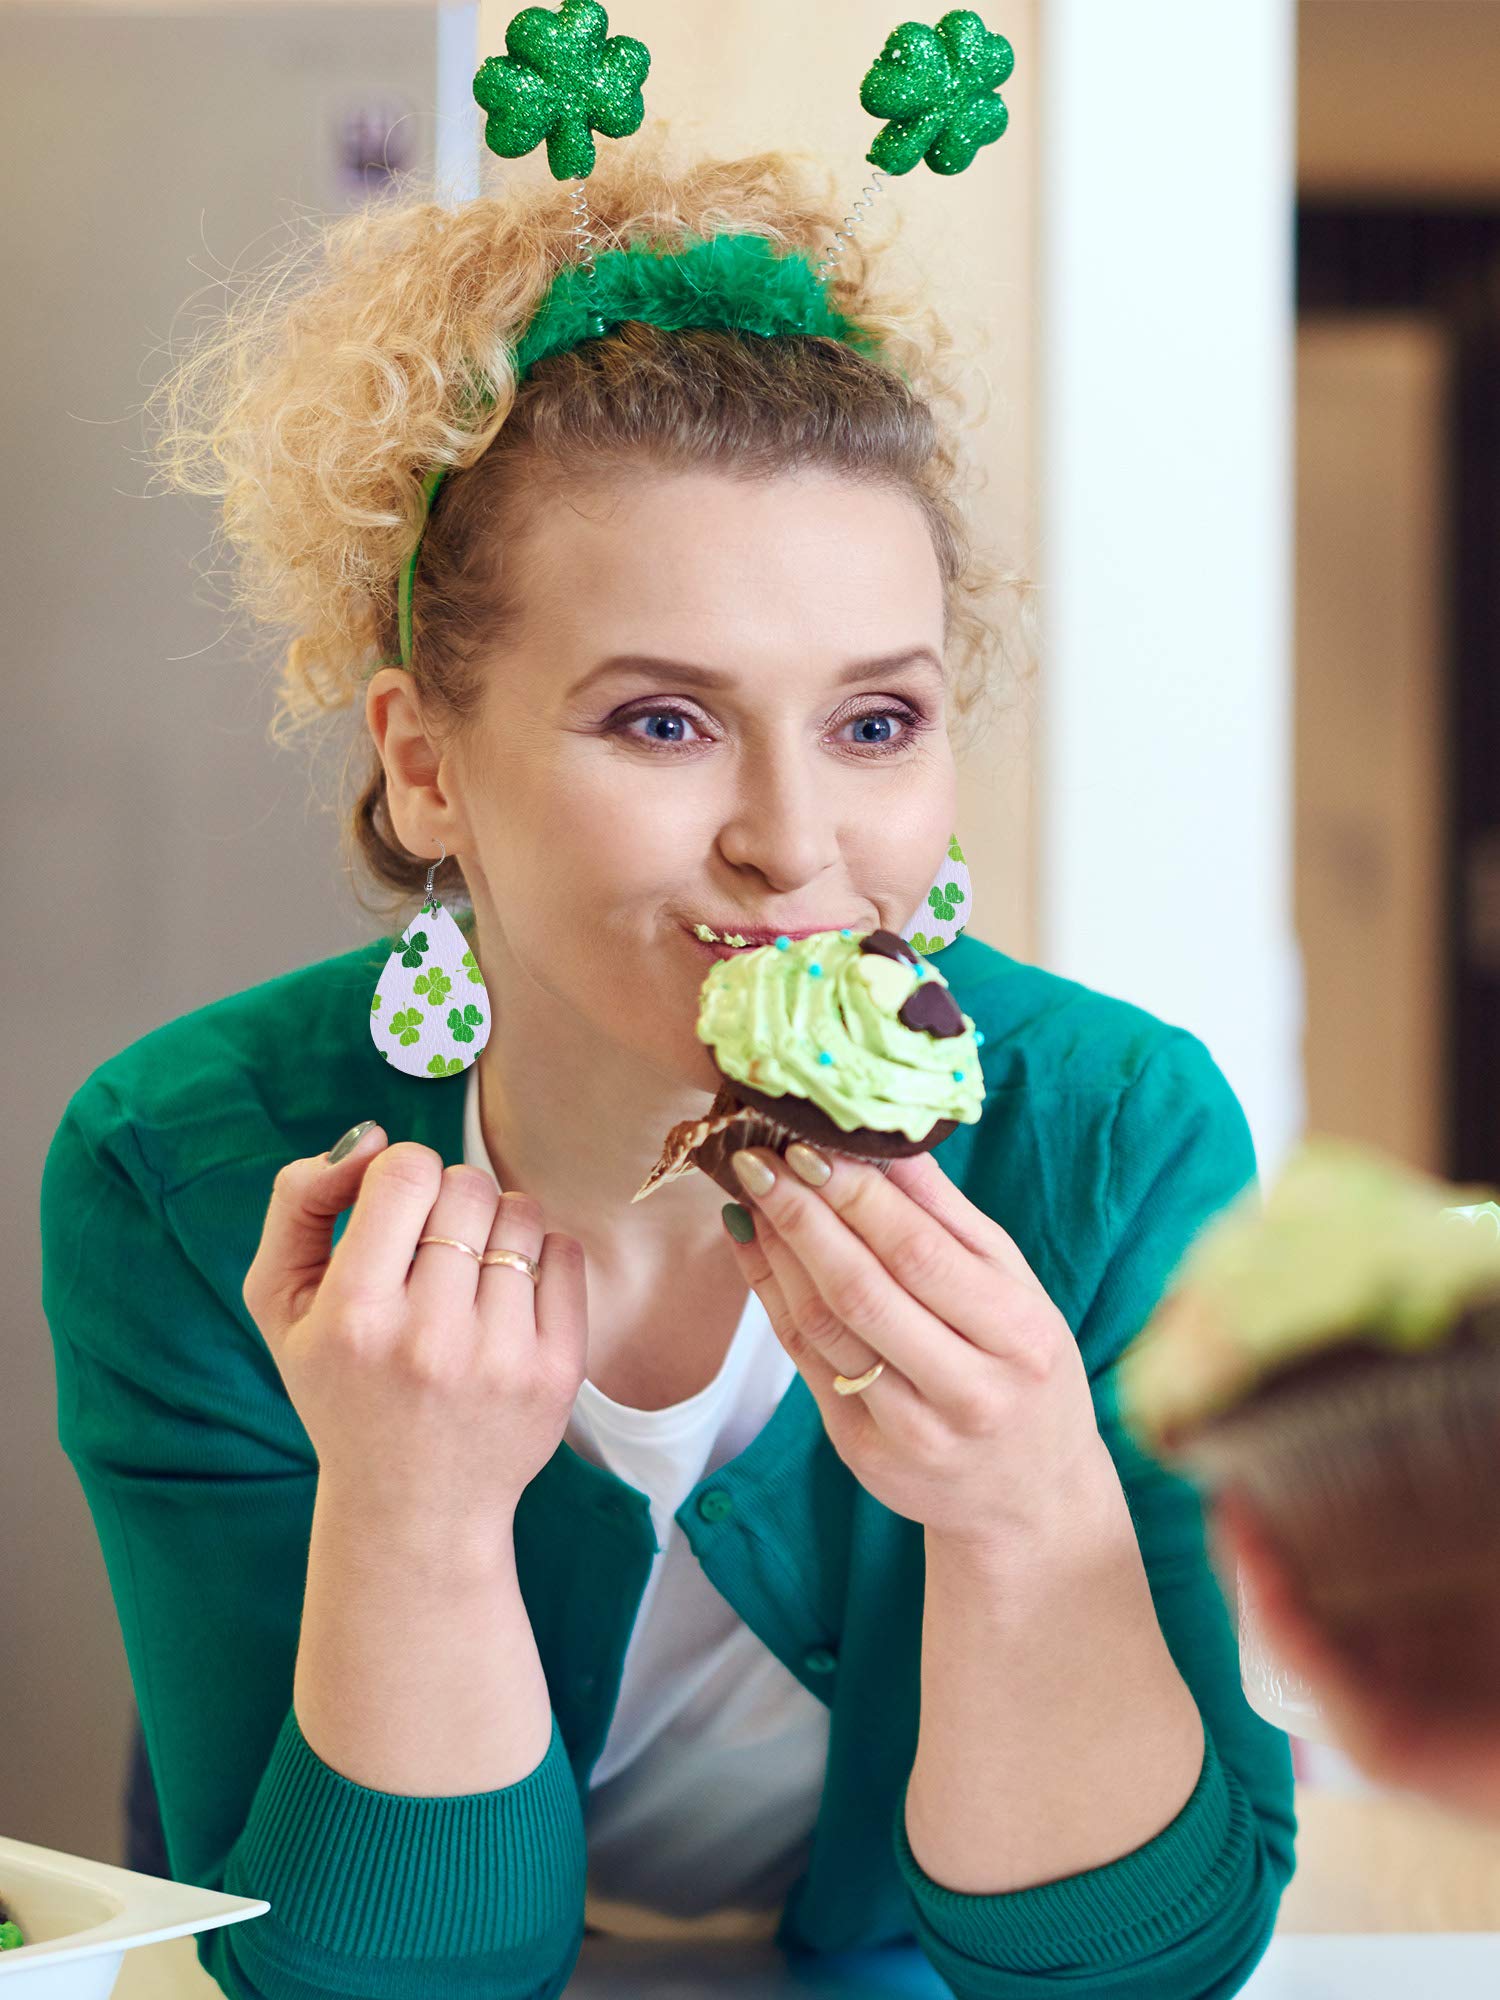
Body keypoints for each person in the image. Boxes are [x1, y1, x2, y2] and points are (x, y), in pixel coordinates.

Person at [40, 140, 1295, 2000]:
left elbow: (1138, 1971)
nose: (796, 843)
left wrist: (1032, 1504)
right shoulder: (187, 1170)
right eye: (663, 720)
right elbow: (370, 1989)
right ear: (428, 764)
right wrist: (417, 1509)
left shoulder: (1117, 1142)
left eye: (877, 721)